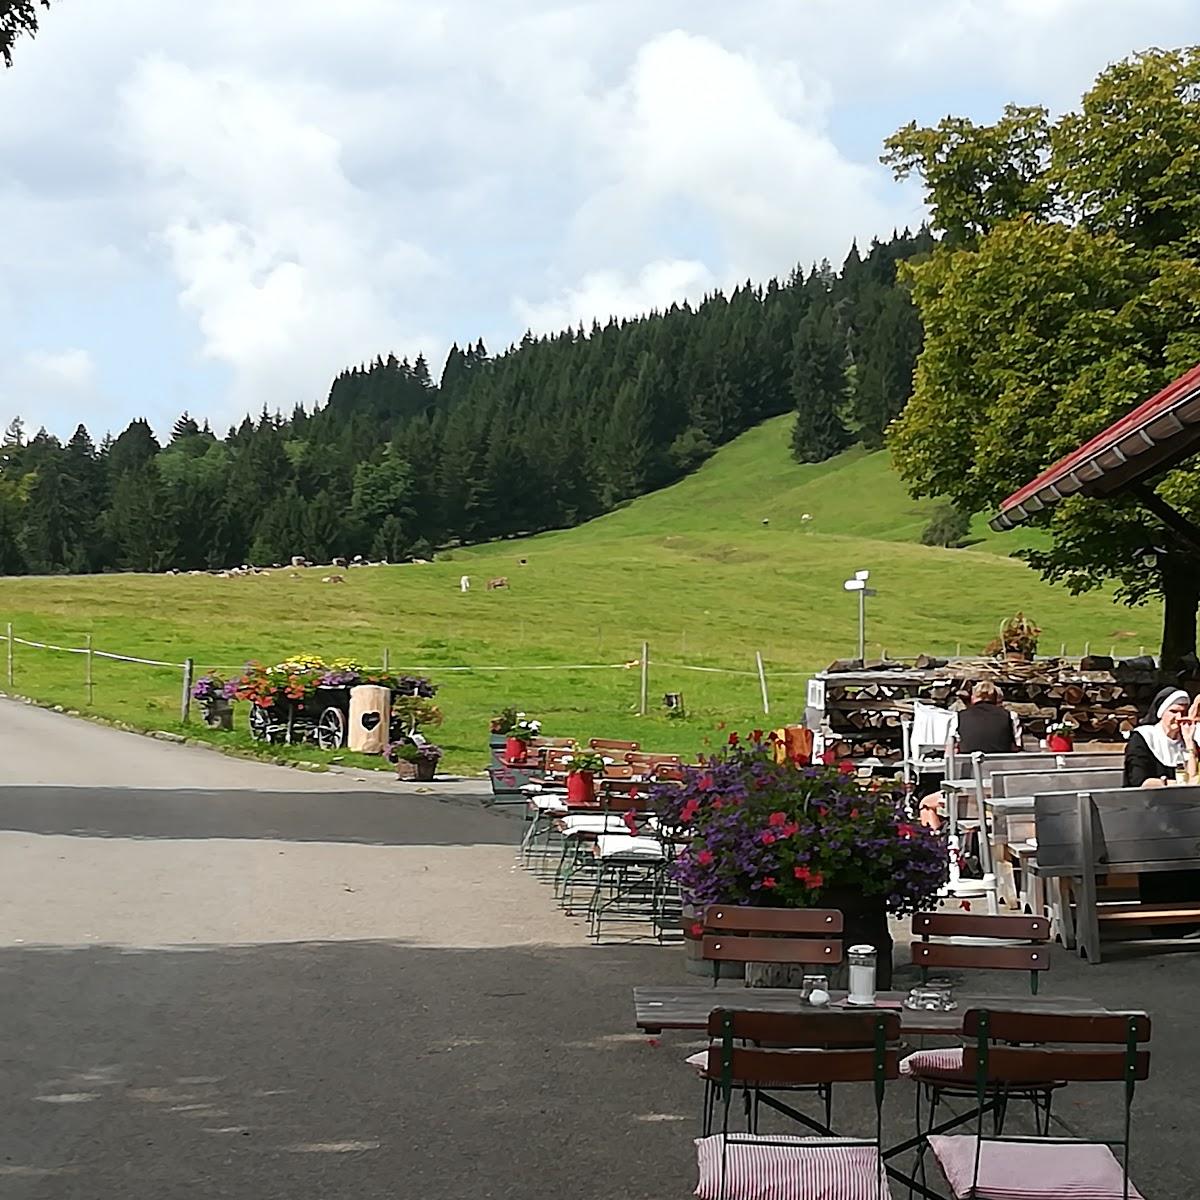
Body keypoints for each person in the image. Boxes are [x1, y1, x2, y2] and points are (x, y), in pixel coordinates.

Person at [1123, 687, 1200, 787]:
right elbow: (1139, 780)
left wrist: (1189, 742)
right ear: (1161, 713)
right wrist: (1175, 784)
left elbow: (1193, 779)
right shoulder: (1143, 737)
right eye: (1173, 711)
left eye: (1184, 713)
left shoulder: (1190, 738)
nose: (1179, 717)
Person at [955, 680, 1022, 754]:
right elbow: (1017, 746)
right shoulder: (1010, 716)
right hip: (1002, 760)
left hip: (968, 760)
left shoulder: (958, 717)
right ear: (996, 698)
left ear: (973, 697)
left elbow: (954, 746)